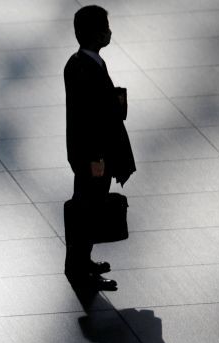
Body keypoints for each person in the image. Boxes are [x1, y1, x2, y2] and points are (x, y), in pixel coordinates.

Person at [64, 5, 135, 291]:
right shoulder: (83, 67)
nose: (109, 31)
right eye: (105, 27)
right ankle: (80, 268)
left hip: (95, 154)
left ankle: (81, 262)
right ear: (94, 33)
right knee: (88, 208)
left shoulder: (86, 63)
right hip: (94, 156)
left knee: (87, 206)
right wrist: (96, 158)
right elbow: (87, 118)